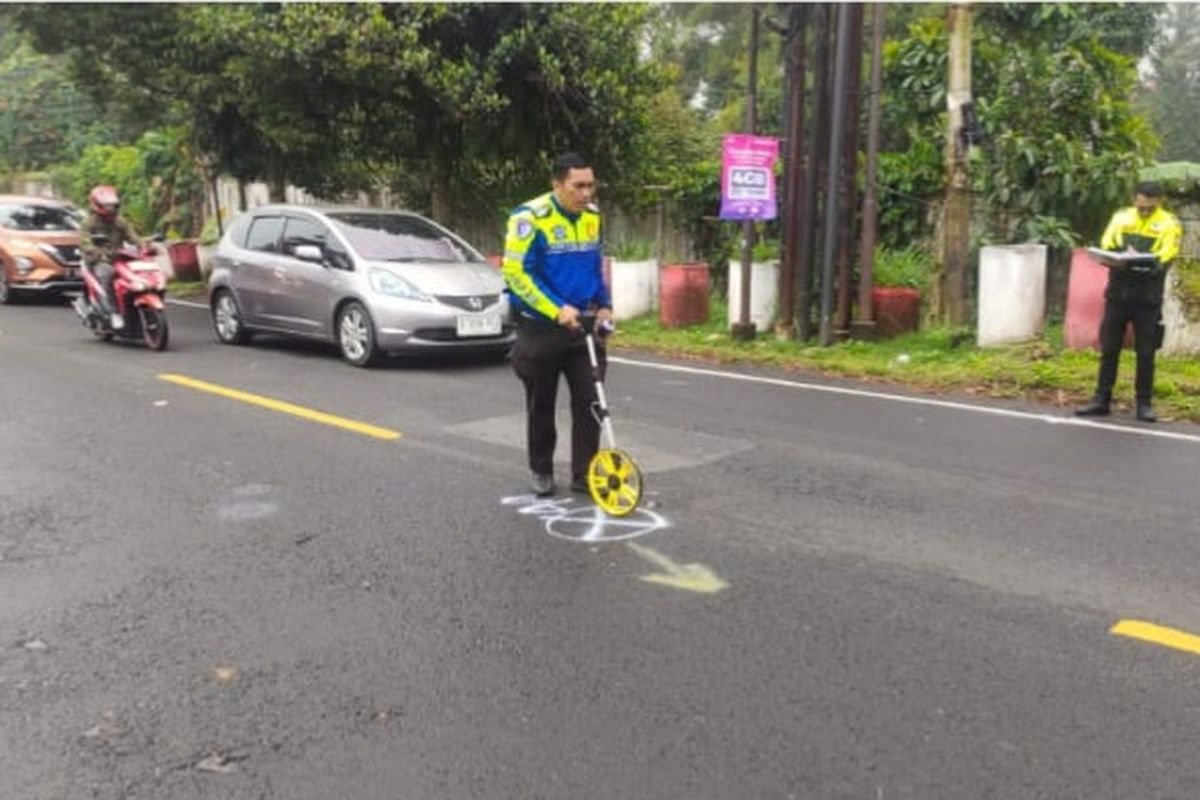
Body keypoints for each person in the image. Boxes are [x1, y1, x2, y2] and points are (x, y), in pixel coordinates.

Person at [502, 153, 614, 497]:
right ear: (557, 185)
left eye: (590, 185)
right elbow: (517, 274)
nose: (586, 193)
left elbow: (594, 267)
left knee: (590, 401)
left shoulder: (592, 217)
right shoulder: (530, 218)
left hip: (583, 325)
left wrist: (606, 304)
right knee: (542, 403)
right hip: (542, 328)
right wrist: (555, 310)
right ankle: (541, 469)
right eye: (577, 186)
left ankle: (585, 474)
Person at [1076, 182, 1183, 423]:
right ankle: (1101, 400)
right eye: (1141, 206)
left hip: (1147, 299)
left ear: (1160, 201)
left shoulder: (1169, 224)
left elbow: (1165, 257)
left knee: (1146, 353)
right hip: (1117, 295)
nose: (1144, 211)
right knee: (1109, 348)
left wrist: (1138, 262)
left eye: (1150, 208)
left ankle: (1144, 404)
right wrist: (1122, 254)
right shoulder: (1122, 218)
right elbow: (1107, 245)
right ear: (1135, 199)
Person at [80, 184, 147, 330]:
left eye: (113, 206)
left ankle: (131, 308)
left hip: (117, 258)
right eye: (106, 206)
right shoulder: (89, 223)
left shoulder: (120, 221)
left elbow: (133, 237)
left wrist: (144, 246)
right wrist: (97, 252)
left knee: (136, 275)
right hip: (97, 260)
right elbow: (85, 243)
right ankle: (114, 312)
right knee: (107, 274)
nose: (110, 210)